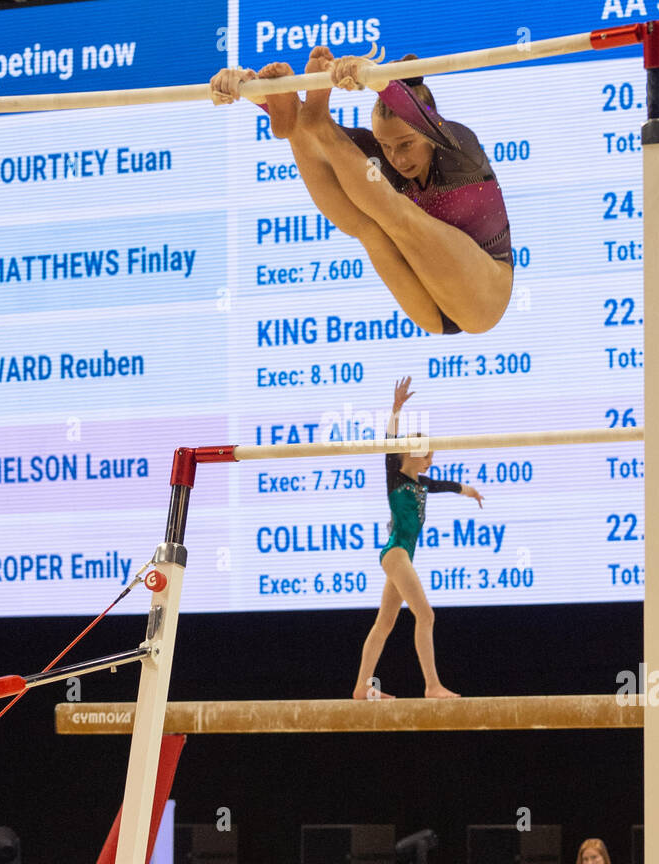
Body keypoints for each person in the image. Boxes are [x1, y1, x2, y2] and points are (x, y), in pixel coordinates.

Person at [211, 47, 513, 336]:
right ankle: (312, 124)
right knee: (366, 226)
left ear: (429, 133)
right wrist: (250, 89)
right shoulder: (382, 155)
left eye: (406, 144)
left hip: (483, 298)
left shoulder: (459, 146)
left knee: (397, 214)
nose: (397, 158)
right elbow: (311, 133)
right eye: (386, 146)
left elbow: (414, 112)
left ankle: (319, 121)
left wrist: (375, 77)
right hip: (431, 313)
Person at [351, 377, 482, 699]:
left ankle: (361, 687)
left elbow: (444, 485)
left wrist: (469, 491)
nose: (431, 461)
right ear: (410, 453)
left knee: (385, 624)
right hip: (395, 552)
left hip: (400, 556)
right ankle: (432, 685)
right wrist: (396, 408)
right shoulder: (395, 478)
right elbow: (389, 441)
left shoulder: (423, 485)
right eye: (427, 456)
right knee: (426, 614)